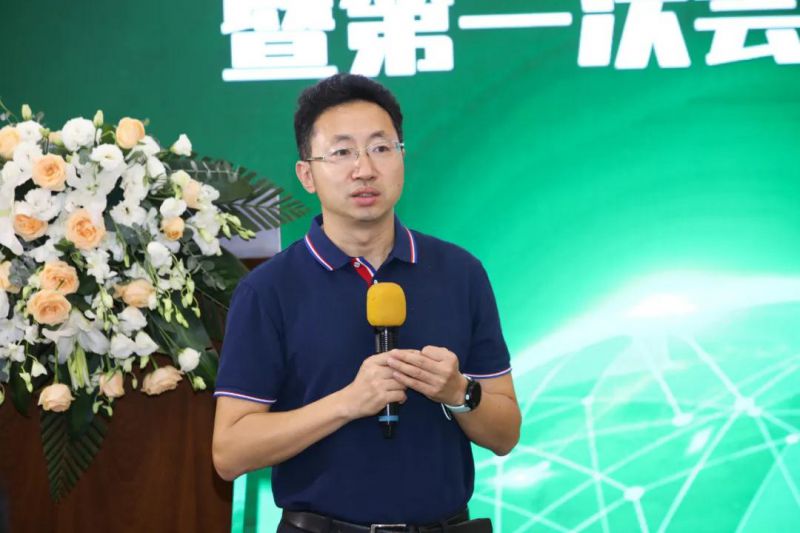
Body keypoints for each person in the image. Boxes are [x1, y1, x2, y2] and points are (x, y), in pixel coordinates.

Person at [212, 74, 521, 533]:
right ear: (307, 174)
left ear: (402, 158)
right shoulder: (268, 289)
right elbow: (229, 451)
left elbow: (506, 433)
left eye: (380, 148)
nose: (364, 169)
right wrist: (349, 402)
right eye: (341, 153)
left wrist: (459, 392)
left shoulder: (460, 273)